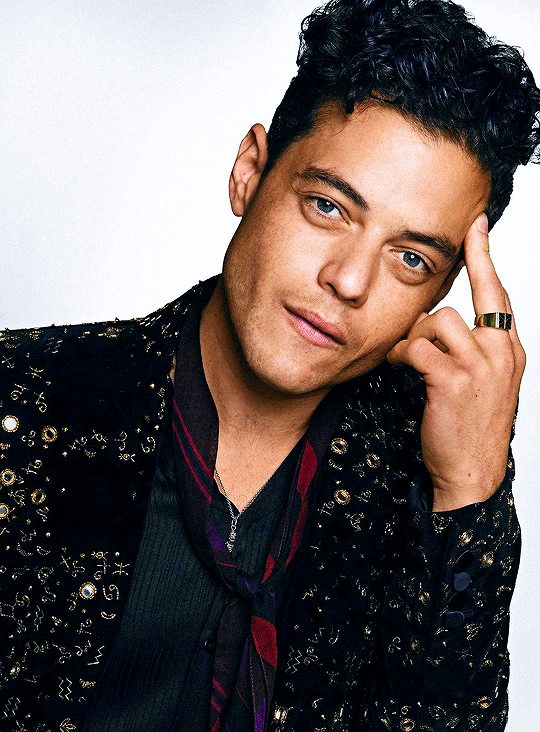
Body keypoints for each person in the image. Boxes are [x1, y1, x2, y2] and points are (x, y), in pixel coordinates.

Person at [0, 0, 539, 729]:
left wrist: (470, 490)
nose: (349, 280)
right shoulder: (28, 400)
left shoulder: (421, 478)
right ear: (249, 173)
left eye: (411, 258)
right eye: (328, 207)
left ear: (441, 292)